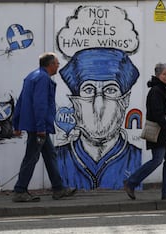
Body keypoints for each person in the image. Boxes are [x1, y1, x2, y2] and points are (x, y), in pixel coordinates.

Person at [56, 48, 142, 190]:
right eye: (88, 90)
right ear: (75, 102)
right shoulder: (59, 158)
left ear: (125, 100)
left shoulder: (135, 159)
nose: (98, 105)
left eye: (110, 90)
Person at [12, 52, 76, 202]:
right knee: (31, 157)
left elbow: (20, 101)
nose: (58, 67)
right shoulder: (43, 79)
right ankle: (20, 190)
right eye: (57, 64)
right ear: (50, 64)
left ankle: (58, 188)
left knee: (50, 155)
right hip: (38, 127)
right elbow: (40, 105)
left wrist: (17, 123)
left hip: (34, 125)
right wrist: (41, 128)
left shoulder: (31, 76)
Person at [123, 63, 166, 200]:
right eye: (164, 74)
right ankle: (131, 182)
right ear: (157, 75)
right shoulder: (156, 91)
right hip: (159, 133)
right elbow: (157, 114)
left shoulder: (164, 89)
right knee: (157, 160)